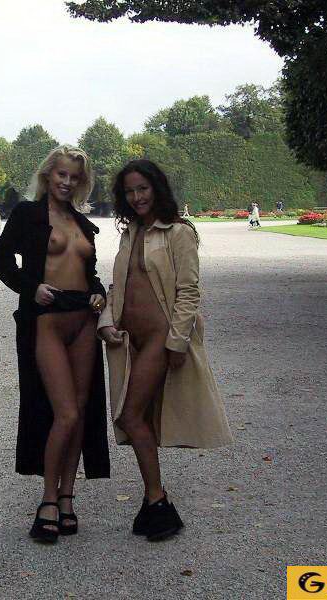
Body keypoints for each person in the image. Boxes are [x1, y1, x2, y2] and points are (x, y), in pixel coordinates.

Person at [97, 159, 233, 541]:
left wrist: (177, 341)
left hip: (159, 339)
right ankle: (152, 503)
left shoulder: (178, 232)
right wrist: (105, 321)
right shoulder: (130, 233)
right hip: (130, 342)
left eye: (142, 188)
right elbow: (118, 285)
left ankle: (158, 501)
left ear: (157, 188)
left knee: (129, 415)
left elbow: (189, 292)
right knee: (135, 417)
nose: (137, 197)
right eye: (129, 191)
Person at [0, 145, 110, 543]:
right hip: (47, 320)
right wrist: (31, 287)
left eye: (75, 177)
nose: (67, 182)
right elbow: (2, 259)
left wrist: (98, 294)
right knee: (66, 414)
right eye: (62, 174)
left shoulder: (81, 222)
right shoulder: (28, 214)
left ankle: (66, 497)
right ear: (48, 174)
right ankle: (46, 499)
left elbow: (89, 274)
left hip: (83, 320)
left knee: (81, 410)